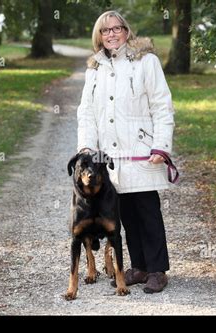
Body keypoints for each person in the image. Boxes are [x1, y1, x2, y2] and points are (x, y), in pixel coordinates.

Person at [76, 10, 175, 293]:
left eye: (116, 29)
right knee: (126, 214)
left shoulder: (146, 62)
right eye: (105, 31)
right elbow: (87, 113)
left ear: (126, 31)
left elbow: (161, 105)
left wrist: (161, 145)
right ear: (99, 36)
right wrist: (86, 147)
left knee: (147, 210)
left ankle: (157, 270)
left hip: (142, 151)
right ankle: (140, 266)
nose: (111, 34)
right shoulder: (94, 68)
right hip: (110, 159)